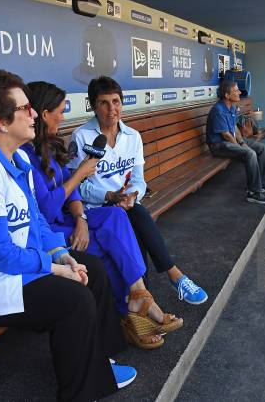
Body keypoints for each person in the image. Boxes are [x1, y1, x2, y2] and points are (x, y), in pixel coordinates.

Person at [0, 70, 136, 401]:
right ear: (1, 122)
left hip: (4, 269)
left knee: (90, 268)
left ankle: (98, 358)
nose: (34, 113)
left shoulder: (15, 157)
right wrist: (54, 269)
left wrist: (60, 254)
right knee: (73, 300)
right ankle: (82, 391)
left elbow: (36, 219)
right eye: (25, 108)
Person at [23, 81, 183, 350]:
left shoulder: (48, 146)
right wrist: (81, 174)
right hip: (47, 231)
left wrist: (81, 219)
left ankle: (138, 296)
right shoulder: (25, 154)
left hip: (70, 219)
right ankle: (134, 311)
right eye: (59, 112)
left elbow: (70, 195)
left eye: (116, 102)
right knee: (110, 248)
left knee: (118, 218)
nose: (63, 117)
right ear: (44, 113)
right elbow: (48, 208)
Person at [68, 76, 208, 305]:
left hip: (126, 204)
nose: (111, 109)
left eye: (116, 101)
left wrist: (133, 196)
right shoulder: (82, 136)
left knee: (135, 214)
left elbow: (139, 180)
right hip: (96, 208)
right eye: (104, 103)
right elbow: (77, 185)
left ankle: (146, 299)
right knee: (138, 218)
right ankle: (173, 276)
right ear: (93, 106)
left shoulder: (132, 136)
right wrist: (109, 196)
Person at [206, 79, 265, 204]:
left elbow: (234, 129)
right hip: (219, 145)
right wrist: (242, 147)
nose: (239, 92)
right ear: (227, 95)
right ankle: (254, 192)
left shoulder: (232, 107)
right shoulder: (218, 110)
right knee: (250, 153)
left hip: (231, 141)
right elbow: (226, 135)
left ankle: (264, 183)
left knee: (261, 148)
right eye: (236, 91)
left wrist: (242, 143)